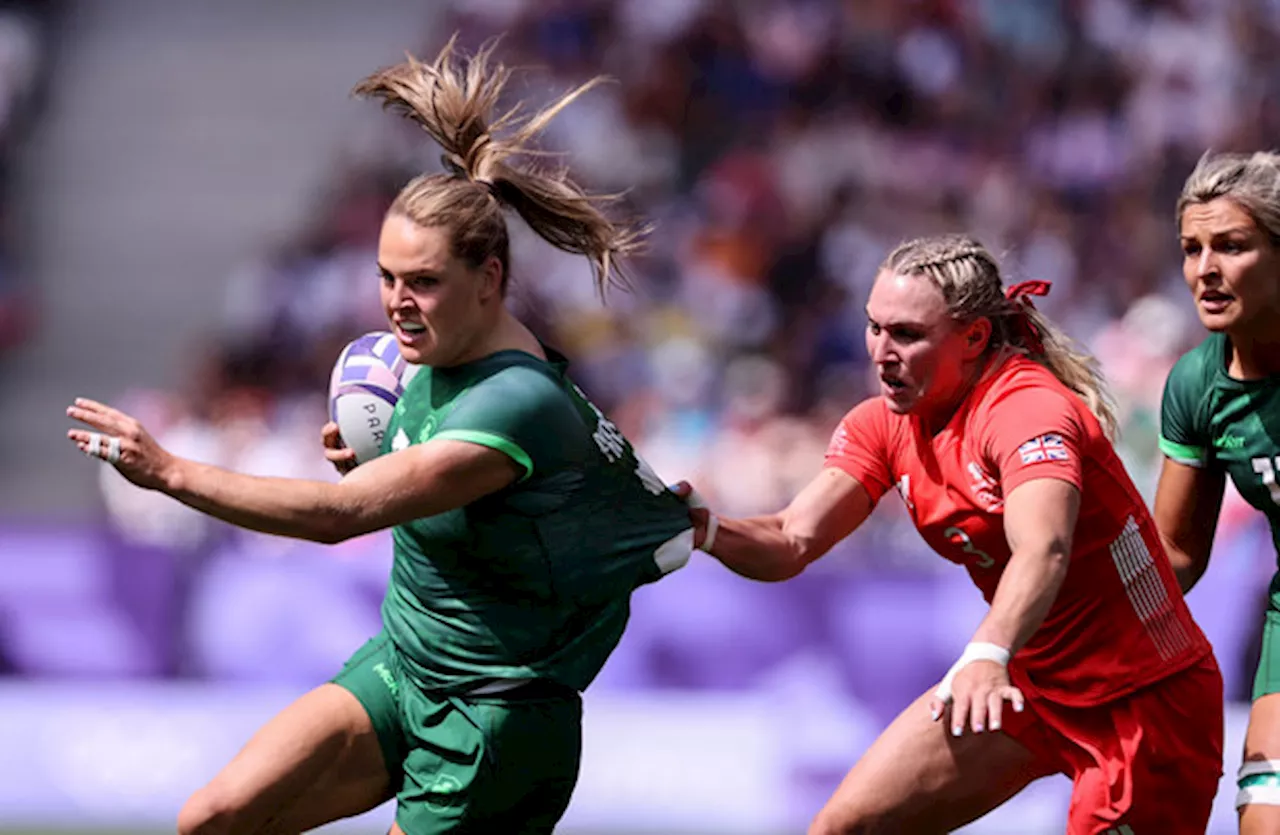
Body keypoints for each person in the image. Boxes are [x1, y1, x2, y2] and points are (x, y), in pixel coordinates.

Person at [66, 38, 697, 835]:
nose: (398, 301)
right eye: (387, 276)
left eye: (423, 281)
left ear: (490, 280)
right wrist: (380, 457)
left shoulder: (517, 403)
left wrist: (168, 472)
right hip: (402, 668)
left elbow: (340, 518)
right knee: (212, 818)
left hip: (490, 724)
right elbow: (416, 484)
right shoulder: (423, 358)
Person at [679, 234, 1223, 834]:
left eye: (907, 334)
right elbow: (790, 538)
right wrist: (705, 530)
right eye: (874, 328)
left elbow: (1045, 549)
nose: (882, 352)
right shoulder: (884, 424)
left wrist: (986, 654)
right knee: (842, 829)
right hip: (1029, 684)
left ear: (974, 338)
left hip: (1143, 698)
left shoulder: (1026, 409)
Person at [1156, 150, 1280, 834]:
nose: (1205, 269)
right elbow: (1175, 552)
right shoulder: (1197, 385)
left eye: (1232, 246)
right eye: (1192, 248)